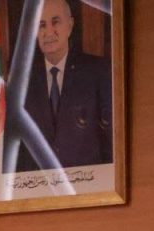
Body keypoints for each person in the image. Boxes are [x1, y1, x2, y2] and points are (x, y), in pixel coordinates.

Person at [15, 0, 112, 172]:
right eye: (41, 25)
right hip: (39, 184)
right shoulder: (22, 82)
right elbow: (19, 150)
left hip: (90, 182)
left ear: (70, 25)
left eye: (55, 22)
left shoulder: (97, 72)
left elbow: (110, 142)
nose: (48, 32)